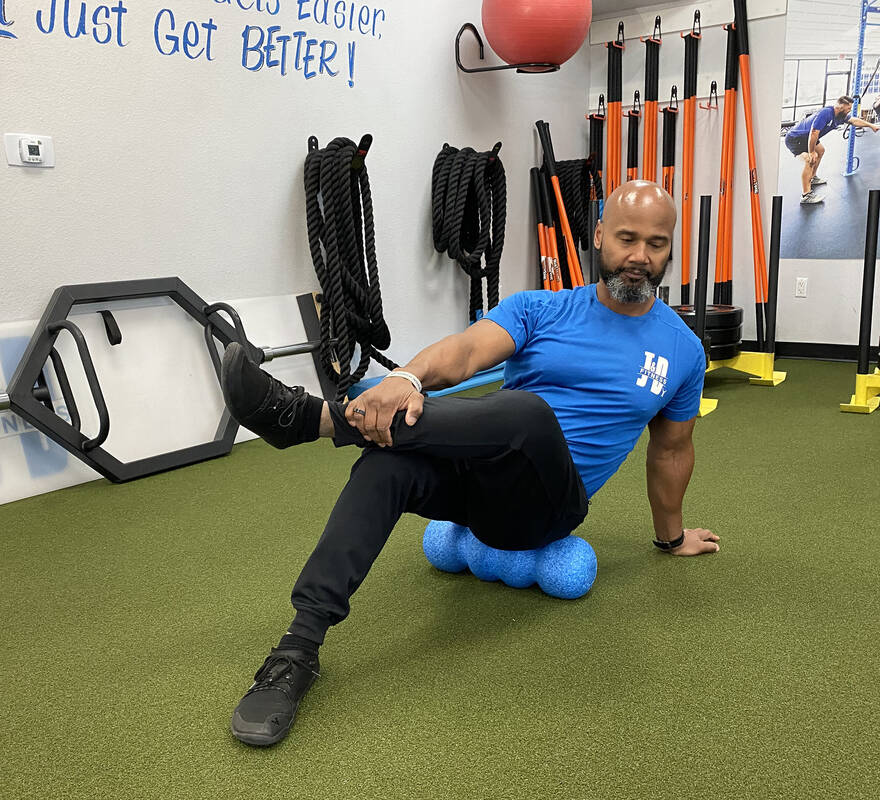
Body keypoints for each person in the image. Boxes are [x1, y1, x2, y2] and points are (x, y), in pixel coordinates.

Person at [218, 181, 719, 748]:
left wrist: (672, 539)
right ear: (598, 236)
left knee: (527, 415)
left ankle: (319, 420)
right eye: (626, 238)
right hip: (478, 484)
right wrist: (405, 378)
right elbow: (462, 354)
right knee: (387, 466)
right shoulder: (541, 308)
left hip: (547, 508)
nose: (639, 256)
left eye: (656, 243)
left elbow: (671, 449)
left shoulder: (682, 350)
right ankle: (297, 650)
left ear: (670, 249)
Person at [783, 95, 880, 205]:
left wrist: (871, 125)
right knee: (809, 160)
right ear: (840, 106)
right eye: (848, 108)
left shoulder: (840, 116)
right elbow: (814, 132)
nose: (849, 111)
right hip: (796, 138)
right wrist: (811, 152)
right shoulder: (826, 113)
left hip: (808, 137)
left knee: (820, 151)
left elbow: (854, 121)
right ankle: (806, 196)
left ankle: (813, 177)